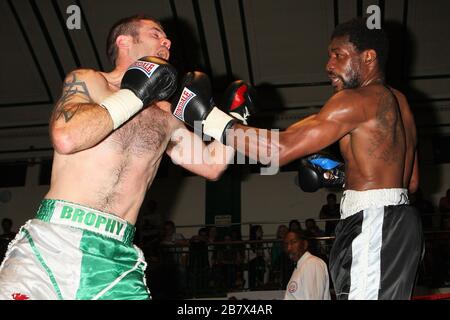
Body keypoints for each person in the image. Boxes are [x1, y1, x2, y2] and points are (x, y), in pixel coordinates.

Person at [0, 14, 245, 300]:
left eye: (167, 38)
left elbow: (211, 165)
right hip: (54, 241)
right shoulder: (89, 81)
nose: (167, 41)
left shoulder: (165, 117)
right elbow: (66, 137)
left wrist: (235, 117)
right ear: (124, 41)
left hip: (117, 257)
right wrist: (138, 94)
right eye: (156, 34)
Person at [176, 18, 423, 299]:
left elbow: (277, 151)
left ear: (368, 57)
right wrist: (344, 174)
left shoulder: (354, 100)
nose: (329, 65)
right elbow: (411, 182)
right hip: (396, 225)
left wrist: (209, 118)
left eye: (338, 55)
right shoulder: (400, 103)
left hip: (374, 224)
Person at [283, 230, 330, 300]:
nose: (288, 248)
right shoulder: (302, 265)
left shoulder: (312, 263)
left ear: (305, 244)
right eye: (286, 244)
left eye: (293, 242)